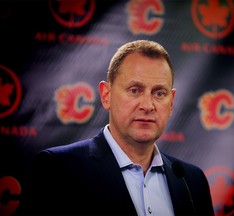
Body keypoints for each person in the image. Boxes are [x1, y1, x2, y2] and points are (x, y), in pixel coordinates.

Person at [19, 40, 214, 215]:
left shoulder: (192, 181)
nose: (147, 105)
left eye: (159, 93)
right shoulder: (57, 170)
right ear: (106, 95)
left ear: (171, 103)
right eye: (134, 90)